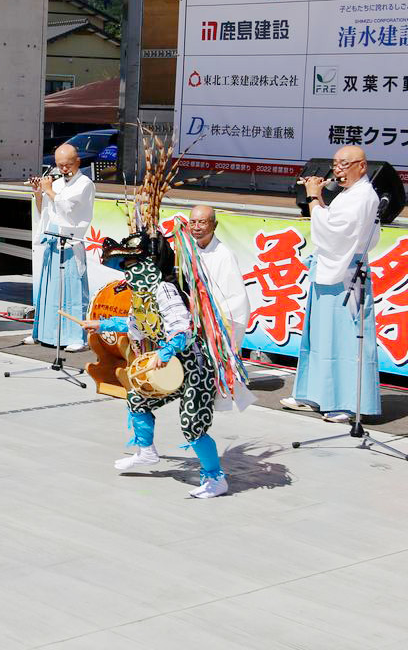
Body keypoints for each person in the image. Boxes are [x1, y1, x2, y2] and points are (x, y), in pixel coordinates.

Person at [76, 138, 246, 499]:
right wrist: (101, 325)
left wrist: (165, 354)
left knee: (193, 426)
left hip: (193, 368)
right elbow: (137, 327)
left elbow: (183, 331)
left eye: (133, 266)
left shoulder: (166, 292)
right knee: (137, 398)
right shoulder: (142, 295)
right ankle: (146, 450)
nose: (129, 273)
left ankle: (215, 477)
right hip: (168, 363)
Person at [282, 145, 381, 423]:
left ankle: (346, 403)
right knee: (320, 336)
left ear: (362, 166)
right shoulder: (350, 194)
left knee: (344, 341)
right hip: (329, 269)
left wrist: (314, 196)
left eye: (344, 164)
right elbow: (331, 226)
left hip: (346, 275)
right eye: (335, 163)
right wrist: (320, 200)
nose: (337, 169)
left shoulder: (363, 196)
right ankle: (315, 394)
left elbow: (331, 232)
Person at [27, 143, 94, 351]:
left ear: (77, 162)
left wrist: (49, 191)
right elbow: (45, 211)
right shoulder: (55, 184)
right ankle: (43, 333)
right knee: (49, 289)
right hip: (53, 240)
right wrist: (39, 193)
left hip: (71, 241)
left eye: (67, 165)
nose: (63, 169)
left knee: (71, 291)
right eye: (59, 165)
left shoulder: (85, 183)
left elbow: (68, 209)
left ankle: (75, 337)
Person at [187, 205, 250, 351]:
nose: (196, 227)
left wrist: (211, 322)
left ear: (214, 225)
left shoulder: (224, 255)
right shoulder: (188, 250)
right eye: (192, 222)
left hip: (213, 325)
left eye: (202, 222)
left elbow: (235, 301)